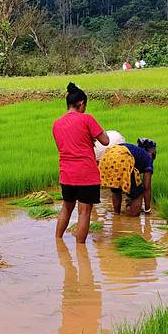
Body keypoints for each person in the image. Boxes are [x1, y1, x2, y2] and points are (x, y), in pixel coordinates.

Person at [52, 83, 109, 243]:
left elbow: (64, 146)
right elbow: (105, 141)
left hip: (66, 174)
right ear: (81, 103)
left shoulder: (57, 124)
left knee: (66, 207)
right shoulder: (87, 119)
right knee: (84, 213)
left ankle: (58, 242)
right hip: (86, 174)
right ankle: (80, 248)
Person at [99, 138, 157, 215]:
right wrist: (147, 210)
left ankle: (116, 214)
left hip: (107, 157)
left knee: (116, 188)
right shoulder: (148, 157)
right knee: (139, 193)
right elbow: (147, 187)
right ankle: (133, 215)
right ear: (151, 151)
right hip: (123, 159)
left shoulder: (135, 151)